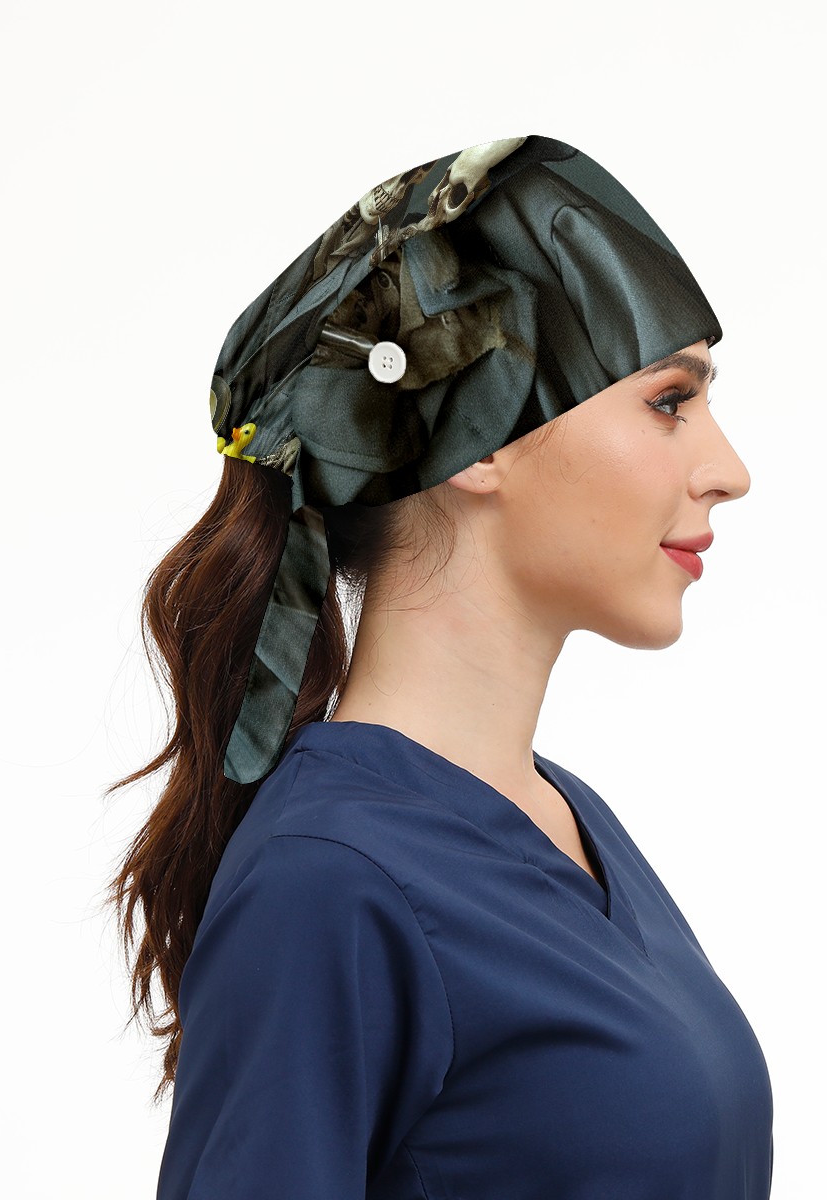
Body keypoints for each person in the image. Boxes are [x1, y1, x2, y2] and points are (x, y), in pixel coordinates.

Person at [107, 134, 774, 1199]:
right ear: (477, 435)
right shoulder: (330, 879)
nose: (727, 469)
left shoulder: (565, 820)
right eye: (668, 401)